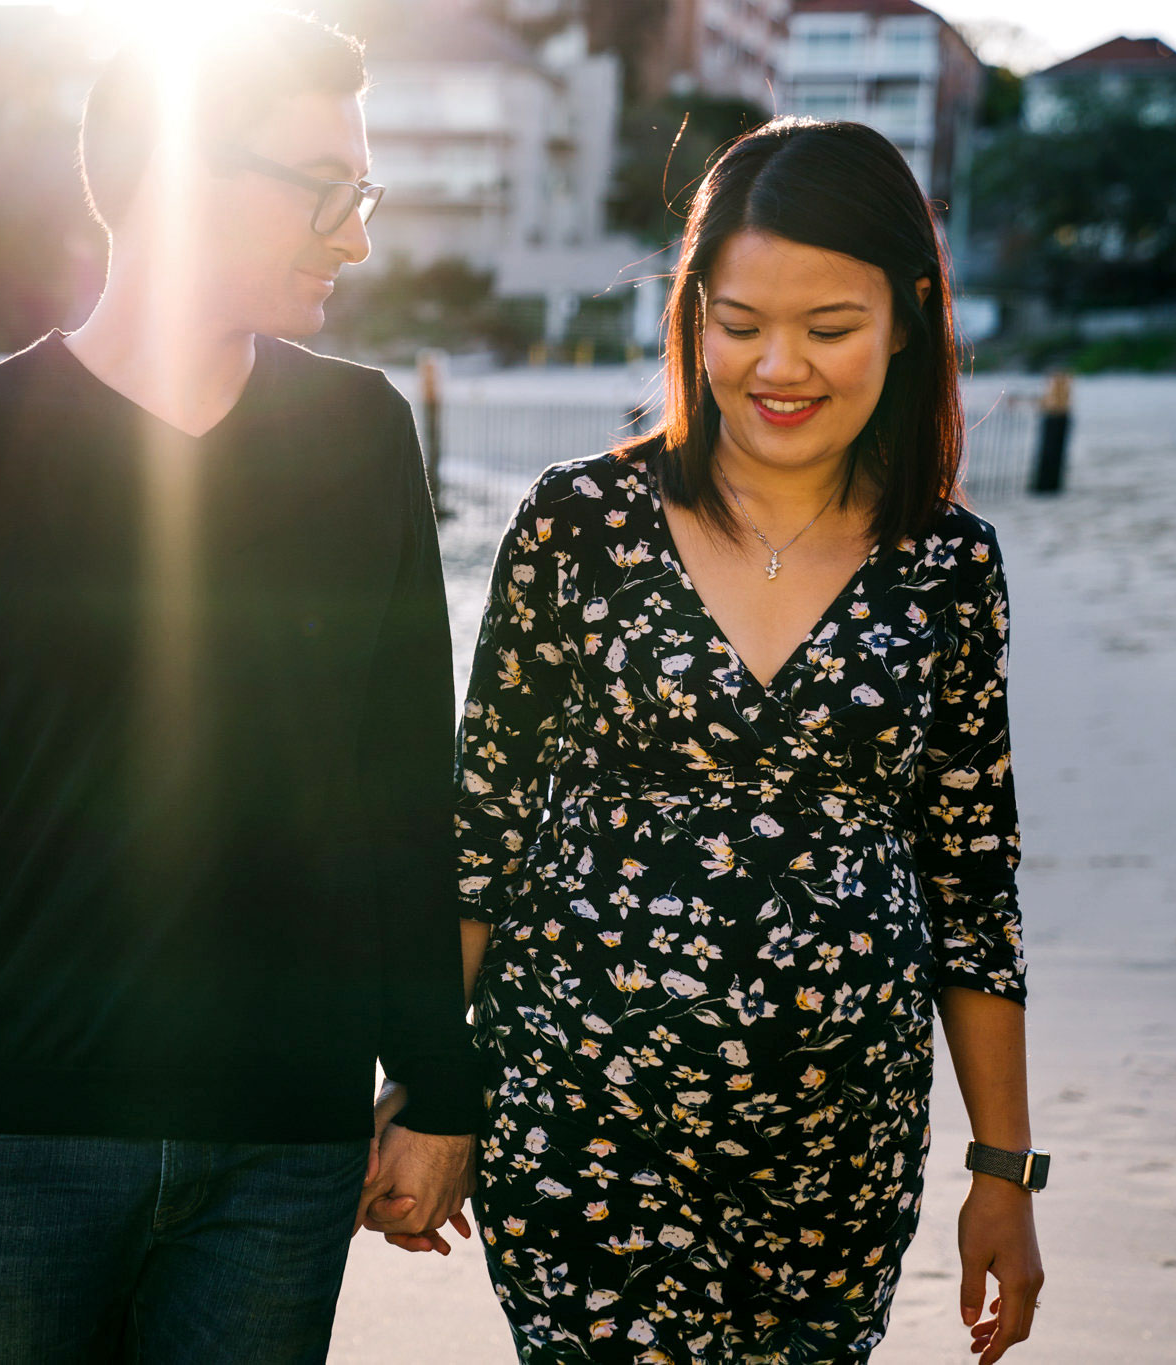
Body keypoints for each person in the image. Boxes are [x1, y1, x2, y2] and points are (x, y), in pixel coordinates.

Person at [0, 13, 477, 1365]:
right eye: (327, 193)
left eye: (364, 196)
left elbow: (406, 799)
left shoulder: (361, 441)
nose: (353, 237)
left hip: (289, 1142)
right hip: (28, 1135)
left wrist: (439, 1083)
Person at [442, 117, 1047, 1363]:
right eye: (737, 323)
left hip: (842, 1139)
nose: (781, 366)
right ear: (689, 316)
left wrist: (1004, 1168)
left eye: (828, 327)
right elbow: (479, 831)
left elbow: (971, 877)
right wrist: (423, 1091)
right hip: (578, 1112)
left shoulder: (946, 566)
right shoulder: (579, 524)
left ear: (907, 315)